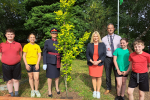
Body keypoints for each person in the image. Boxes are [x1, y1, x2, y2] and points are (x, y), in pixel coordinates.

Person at [0, 29, 22, 97]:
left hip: (16, 65)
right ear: (6, 35)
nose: (10, 35)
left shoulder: (18, 44)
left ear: (14, 35)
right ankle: (11, 94)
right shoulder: (1, 44)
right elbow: (0, 54)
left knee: (16, 80)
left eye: (11, 34)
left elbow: (20, 54)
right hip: (5, 65)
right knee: (9, 81)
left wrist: (17, 60)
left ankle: (16, 94)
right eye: (8, 34)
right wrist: (3, 60)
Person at [102, 23, 121, 94]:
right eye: (109, 28)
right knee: (107, 73)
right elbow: (102, 49)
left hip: (116, 59)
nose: (110, 29)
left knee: (117, 74)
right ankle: (108, 88)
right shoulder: (103, 39)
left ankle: (117, 88)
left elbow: (121, 48)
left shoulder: (118, 38)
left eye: (111, 28)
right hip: (107, 58)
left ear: (114, 29)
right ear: (107, 29)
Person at [86, 31, 106, 99]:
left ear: (99, 37)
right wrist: (92, 61)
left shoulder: (102, 44)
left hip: (99, 63)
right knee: (93, 77)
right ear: (92, 37)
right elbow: (87, 54)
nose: (95, 37)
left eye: (97, 36)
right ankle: (94, 91)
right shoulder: (89, 44)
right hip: (92, 63)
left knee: (99, 77)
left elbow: (104, 54)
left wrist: (98, 61)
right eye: (94, 36)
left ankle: (98, 91)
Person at [43, 27, 61, 97]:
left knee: (57, 75)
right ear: (51, 34)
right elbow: (44, 52)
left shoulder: (60, 42)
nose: (54, 34)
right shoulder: (47, 42)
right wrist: (44, 63)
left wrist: (63, 61)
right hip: (49, 61)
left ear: (57, 34)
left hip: (57, 60)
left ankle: (57, 88)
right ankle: (49, 90)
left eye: (55, 33)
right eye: (53, 33)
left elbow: (61, 52)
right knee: (50, 76)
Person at [23, 33, 42, 97]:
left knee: (36, 78)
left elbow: (39, 55)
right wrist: (26, 64)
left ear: (35, 38)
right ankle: (32, 90)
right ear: (28, 39)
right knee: (30, 77)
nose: (32, 38)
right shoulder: (26, 46)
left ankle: (36, 90)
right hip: (29, 64)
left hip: (36, 64)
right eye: (31, 37)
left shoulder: (37, 46)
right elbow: (24, 56)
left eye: (33, 37)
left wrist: (37, 64)